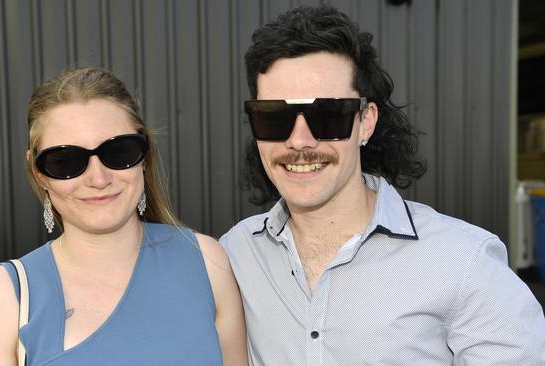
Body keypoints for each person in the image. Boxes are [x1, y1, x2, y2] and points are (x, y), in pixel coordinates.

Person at [220, 4, 545, 365]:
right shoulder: (234, 256)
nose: (299, 141)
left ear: (367, 122)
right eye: (274, 118)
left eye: (328, 116)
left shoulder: (464, 261)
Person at [0, 67, 247, 365]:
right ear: (39, 173)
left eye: (118, 151)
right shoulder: (0, 299)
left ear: (144, 156)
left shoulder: (206, 261)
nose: (98, 178)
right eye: (66, 160)